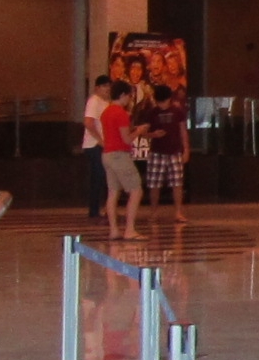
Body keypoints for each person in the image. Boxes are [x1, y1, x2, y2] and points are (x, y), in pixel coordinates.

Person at [139, 83, 190, 224]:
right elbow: (143, 133)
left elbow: (183, 131)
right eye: (159, 102)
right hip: (156, 152)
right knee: (154, 184)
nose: (161, 105)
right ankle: (154, 212)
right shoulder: (152, 113)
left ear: (169, 99)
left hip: (175, 151)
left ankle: (178, 212)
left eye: (164, 101)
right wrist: (153, 135)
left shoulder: (178, 111)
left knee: (177, 183)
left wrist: (186, 149)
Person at [99, 80, 143, 240]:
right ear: (123, 95)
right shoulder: (121, 113)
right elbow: (126, 139)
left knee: (113, 192)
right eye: (129, 96)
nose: (130, 100)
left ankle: (114, 230)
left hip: (107, 154)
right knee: (136, 190)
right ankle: (130, 230)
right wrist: (138, 131)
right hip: (119, 155)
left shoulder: (106, 112)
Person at [80, 74, 112, 219]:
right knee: (98, 177)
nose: (107, 89)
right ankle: (94, 210)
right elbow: (88, 122)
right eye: (104, 86)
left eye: (109, 86)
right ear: (97, 88)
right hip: (94, 145)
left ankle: (104, 208)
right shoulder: (94, 101)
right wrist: (100, 141)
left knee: (104, 177)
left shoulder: (105, 102)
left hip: (101, 144)